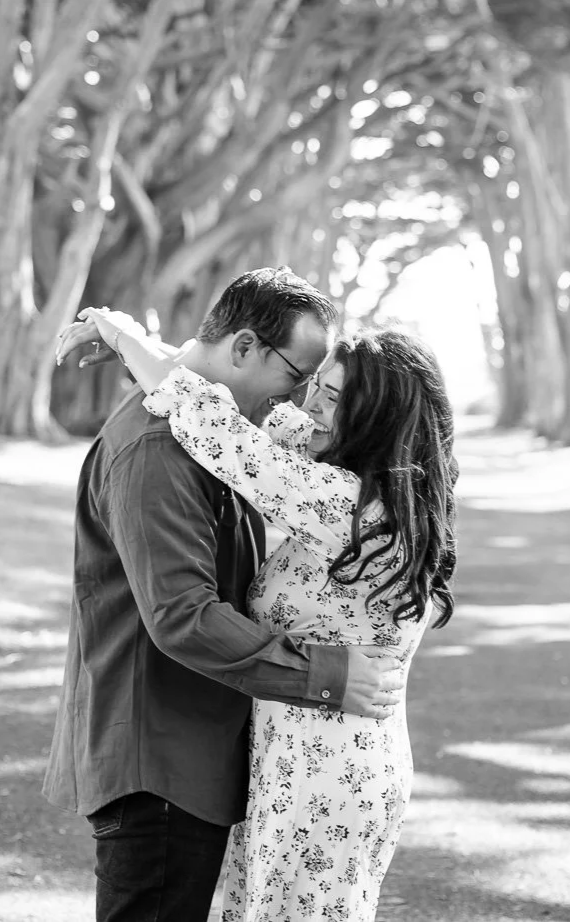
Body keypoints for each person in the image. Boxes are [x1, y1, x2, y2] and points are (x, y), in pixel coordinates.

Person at [69, 303, 458, 922]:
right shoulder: (337, 465)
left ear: (374, 419)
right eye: (309, 385)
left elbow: (216, 429)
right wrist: (147, 346)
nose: (306, 407)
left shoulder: (352, 505)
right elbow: (222, 389)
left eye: (327, 396)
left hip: (330, 762)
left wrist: (121, 334)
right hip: (285, 753)